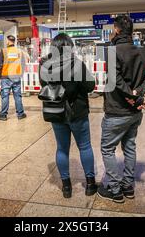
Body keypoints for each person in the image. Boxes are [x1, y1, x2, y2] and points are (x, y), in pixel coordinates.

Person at [97, 15, 145, 203]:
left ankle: (114, 189)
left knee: (107, 148)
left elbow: (115, 80)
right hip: (135, 113)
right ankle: (128, 186)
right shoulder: (141, 51)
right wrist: (137, 94)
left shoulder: (113, 51)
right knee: (129, 147)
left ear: (117, 30)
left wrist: (130, 95)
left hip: (116, 111)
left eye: (114, 28)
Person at [39, 33, 97, 199]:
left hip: (56, 113)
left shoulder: (44, 64)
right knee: (84, 146)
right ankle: (90, 185)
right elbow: (89, 86)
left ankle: (66, 187)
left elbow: (43, 86)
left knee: (61, 149)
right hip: (77, 112)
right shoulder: (76, 64)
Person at [0, 35, 27, 121]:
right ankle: (20, 114)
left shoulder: (3, 51)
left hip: (5, 77)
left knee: (5, 96)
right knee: (17, 96)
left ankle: (3, 115)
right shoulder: (19, 51)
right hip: (16, 76)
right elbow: (23, 64)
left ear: (8, 41)